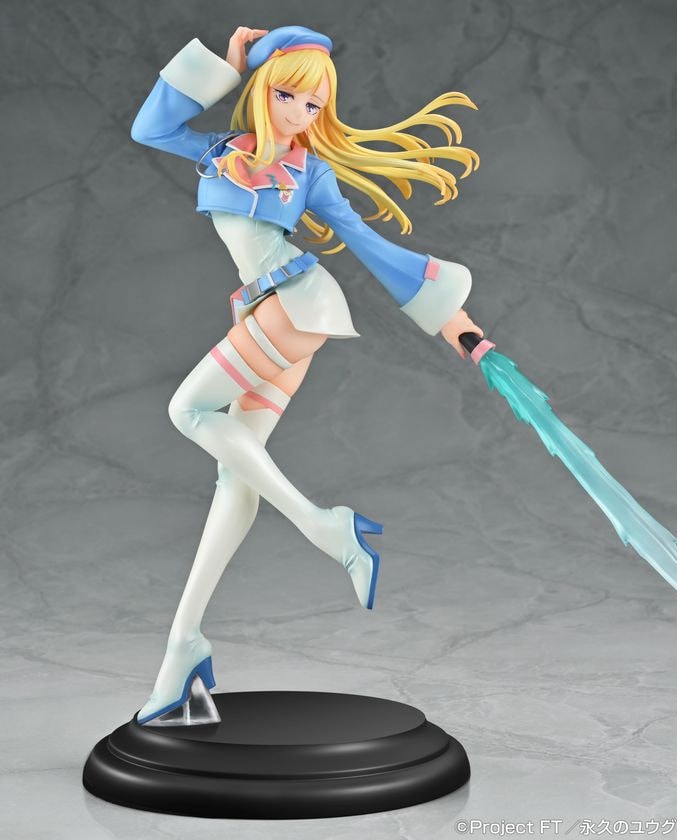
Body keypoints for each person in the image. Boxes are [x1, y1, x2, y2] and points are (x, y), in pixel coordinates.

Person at [130, 24, 484, 725]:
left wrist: (462, 328)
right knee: (237, 477)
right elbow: (151, 127)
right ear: (263, 90)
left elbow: (375, 249)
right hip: (270, 310)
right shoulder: (219, 154)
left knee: (188, 412)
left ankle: (327, 529)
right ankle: (183, 651)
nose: (299, 113)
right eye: (287, 95)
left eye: (314, 104)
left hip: (297, 305)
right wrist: (225, 65)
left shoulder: (310, 174)